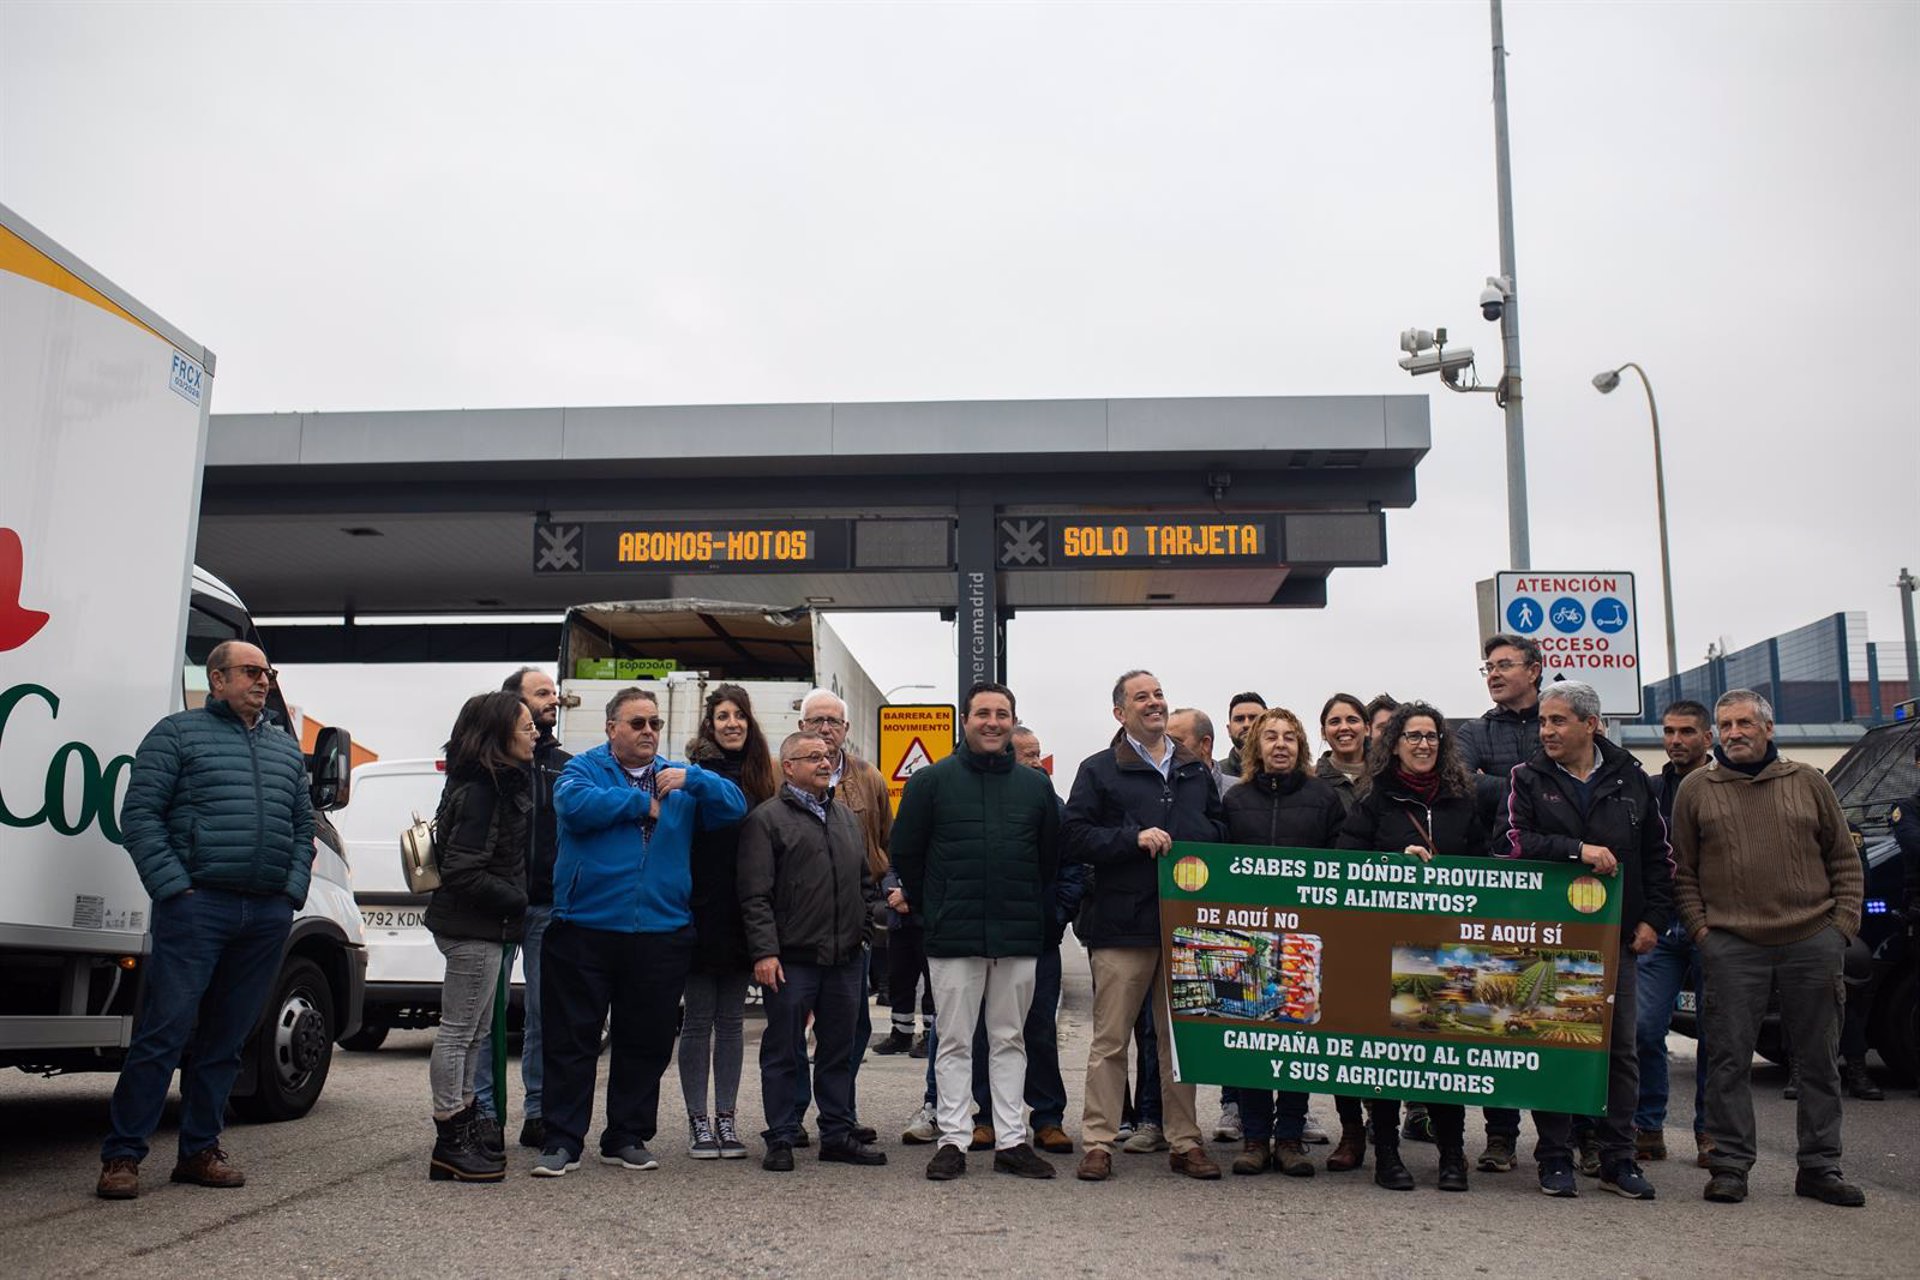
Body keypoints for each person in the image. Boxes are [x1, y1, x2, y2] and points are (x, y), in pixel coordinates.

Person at [97, 641, 313, 1200]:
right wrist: (176, 888)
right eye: (251, 671)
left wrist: (289, 893)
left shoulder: (285, 749)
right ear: (217, 680)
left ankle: (199, 1151)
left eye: (268, 672)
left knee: (227, 1039)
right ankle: (123, 1156)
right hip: (198, 909)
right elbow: (139, 816)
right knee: (164, 1033)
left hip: (264, 913)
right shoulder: (176, 734)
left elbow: (302, 826)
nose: (263, 681)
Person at [533, 688, 747, 1178]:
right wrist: (639, 803)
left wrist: (696, 778)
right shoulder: (584, 768)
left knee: (646, 1040)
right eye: (637, 723)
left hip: (659, 930)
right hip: (584, 926)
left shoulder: (679, 777)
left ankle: (626, 1136)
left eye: (654, 723)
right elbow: (572, 806)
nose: (648, 731)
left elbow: (734, 806)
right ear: (611, 728)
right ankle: (562, 1140)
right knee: (572, 1040)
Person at [1671, 690, 1866, 1207]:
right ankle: (1730, 1165)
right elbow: (1682, 871)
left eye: (1744, 723)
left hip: (1811, 940)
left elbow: (1844, 859)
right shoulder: (1696, 788)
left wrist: (1840, 929)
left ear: (1769, 728)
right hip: (1732, 946)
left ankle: (1820, 1167)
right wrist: (1703, 933)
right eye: (1726, 725)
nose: (1734, 733)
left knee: (1819, 1060)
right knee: (1728, 1061)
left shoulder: (1808, 781)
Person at [1496, 681, 1669, 1200]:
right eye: (1543, 722)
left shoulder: (1632, 778)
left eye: (1557, 721)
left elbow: (1657, 855)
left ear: (1590, 724)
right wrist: (1578, 850)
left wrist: (1654, 919)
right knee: (1556, 1044)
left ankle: (1619, 1159)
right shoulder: (1527, 778)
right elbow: (1515, 843)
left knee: (1620, 1051)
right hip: (1554, 939)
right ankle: (1554, 1157)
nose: (1546, 731)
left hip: (1616, 940)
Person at [891, 682, 1061, 1180]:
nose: (992, 722)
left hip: (1017, 933)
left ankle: (1012, 1140)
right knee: (954, 1041)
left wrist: (1028, 907)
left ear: (1012, 721)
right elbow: (906, 853)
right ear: (965, 720)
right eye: (982, 713)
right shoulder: (931, 782)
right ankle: (953, 1140)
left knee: (1010, 1038)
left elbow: (1048, 858)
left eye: (1002, 714)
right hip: (953, 934)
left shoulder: (1035, 787)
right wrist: (935, 906)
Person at [1067, 669, 1227, 1182]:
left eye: (1159, 694)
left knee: (1179, 1042)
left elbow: (1219, 830)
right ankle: (1099, 1141)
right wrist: (1131, 838)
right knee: (1110, 1041)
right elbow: (1075, 835)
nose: (1154, 702)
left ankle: (1185, 1141)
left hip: (1183, 928)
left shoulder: (1193, 770)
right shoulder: (1099, 770)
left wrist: (1194, 839)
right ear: (1121, 712)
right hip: (1122, 925)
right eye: (1142, 697)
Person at [1337, 701, 1489, 1193]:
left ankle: (1452, 1156)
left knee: (1445, 1055)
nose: (1423, 744)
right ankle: (1387, 1154)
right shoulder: (1374, 799)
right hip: (1384, 944)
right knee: (1386, 1055)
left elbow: (1486, 866)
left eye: (1431, 736)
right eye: (1413, 736)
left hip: (1447, 946)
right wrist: (1393, 861)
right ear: (1395, 744)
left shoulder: (1462, 801)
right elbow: (1346, 862)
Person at [738, 732, 887, 1171]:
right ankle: (782, 1136)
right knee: (784, 1051)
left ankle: (837, 1134)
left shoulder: (844, 818)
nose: (825, 763)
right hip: (791, 960)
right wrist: (765, 953)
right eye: (813, 757)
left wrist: (863, 933)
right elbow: (755, 895)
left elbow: (864, 881)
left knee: (838, 1049)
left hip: (845, 959)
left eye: (827, 756)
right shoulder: (766, 820)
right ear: (789, 767)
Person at [1222, 707, 1346, 1178]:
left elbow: (1341, 861)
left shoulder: (1323, 798)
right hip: (1249, 937)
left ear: (1301, 746)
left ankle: (1290, 1138)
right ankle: (1255, 1139)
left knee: (1297, 1035)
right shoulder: (1235, 800)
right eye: (1271, 736)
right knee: (1253, 1037)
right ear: (1256, 746)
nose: (1280, 744)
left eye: (1289, 737)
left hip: (1305, 938)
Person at [424, 692, 536, 1182]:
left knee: (474, 1035)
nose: (535, 734)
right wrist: (519, 899)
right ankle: (451, 1137)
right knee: (459, 1033)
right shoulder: (483, 791)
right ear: (499, 734)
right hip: (473, 927)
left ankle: (463, 1129)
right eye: (526, 727)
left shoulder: (488, 782)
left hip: (483, 926)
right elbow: (462, 871)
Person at [1454, 633, 1544, 1174]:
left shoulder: (1558, 718)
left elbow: (1573, 778)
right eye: (1487, 666)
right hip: (1498, 886)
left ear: (1534, 670)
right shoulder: (1474, 731)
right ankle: (1501, 1136)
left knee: (1558, 1013)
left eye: (1504, 664)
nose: (1492, 673)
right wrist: (1535, 786)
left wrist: (1504, 783)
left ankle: (1567, 1139)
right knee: (1498, 1011)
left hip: (1554, 887)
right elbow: (1465, 784)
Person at [680, 684, 779, 1159]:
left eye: (739, 715)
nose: (732, 723)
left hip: (746, 913)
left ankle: (727, 1118)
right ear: (710, 724)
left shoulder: (764, 776)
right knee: (698, 1020)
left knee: (733, 1021)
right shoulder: (693, 774)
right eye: (723, 716)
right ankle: (698, 1122)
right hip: (700, 910)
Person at [474, 667, 570, 1153]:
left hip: (547, 906)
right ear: (514, 702)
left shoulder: (566, 766)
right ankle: (485, 1114)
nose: (553, 699)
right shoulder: (491, 763)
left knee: (544, 1014)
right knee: (484, 1016)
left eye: (554, 692)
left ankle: (538, 1113)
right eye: (542, 692)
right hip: (496, 907)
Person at [792, 688, 891, 1144]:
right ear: (802, 726)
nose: (825, 729)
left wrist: (875, 905)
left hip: (853, 923)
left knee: (852, 1025)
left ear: (846, 729)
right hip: (798, 924)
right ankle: (791, 1114)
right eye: (817, 721)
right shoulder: (782, 774)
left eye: (833, 721)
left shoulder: (870, 778)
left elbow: (885, 843)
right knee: (792, 1025)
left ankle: (840, 1114)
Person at [1634, 699, 1715, 1168]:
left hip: (1715, 923)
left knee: (1715, 1033)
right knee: (1644, 1028)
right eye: (1668, 732)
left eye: (1686, 732)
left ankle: (1710, 1132)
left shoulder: (1726, 786)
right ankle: (1648, 1126)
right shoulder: (1649, 790)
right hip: (1663, 925)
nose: (1675, 740)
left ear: (1707, 737)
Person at [1314, 693, 1369, 812]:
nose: (1344, 727)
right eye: (1335, 722)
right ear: (1323, 733)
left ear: (1367, 729)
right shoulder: (1309, 782)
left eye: (1352, 720)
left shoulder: (1385, 778)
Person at [1169, 707, 1230, 800]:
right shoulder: (1158, 793)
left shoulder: (1240, 795)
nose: (1168, 748)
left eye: (1176, 741)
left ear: (1205, 744)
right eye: (1165, 742)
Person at [1221, 691, 1267, 781]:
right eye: (1239, 719)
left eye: (1254, 718)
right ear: (1229, 730)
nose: (1246, 724)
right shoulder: (1215, 775)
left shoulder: (1285, 772)